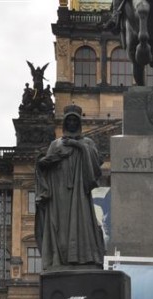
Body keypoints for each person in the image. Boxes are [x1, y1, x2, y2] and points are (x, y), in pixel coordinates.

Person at [34, 104, 105, 271]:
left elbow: (96, 167)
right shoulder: (55, 144)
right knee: (60, 229)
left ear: (79, 123)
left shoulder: (87, 142)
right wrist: (43, 163)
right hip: (59, 193)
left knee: (82, 224)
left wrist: (78, 146)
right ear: (65, 123)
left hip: (80, 192)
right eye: (69, 120)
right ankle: (60, 259)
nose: (72, 123)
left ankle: (84, 258)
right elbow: (45, 166)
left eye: (75, 120)